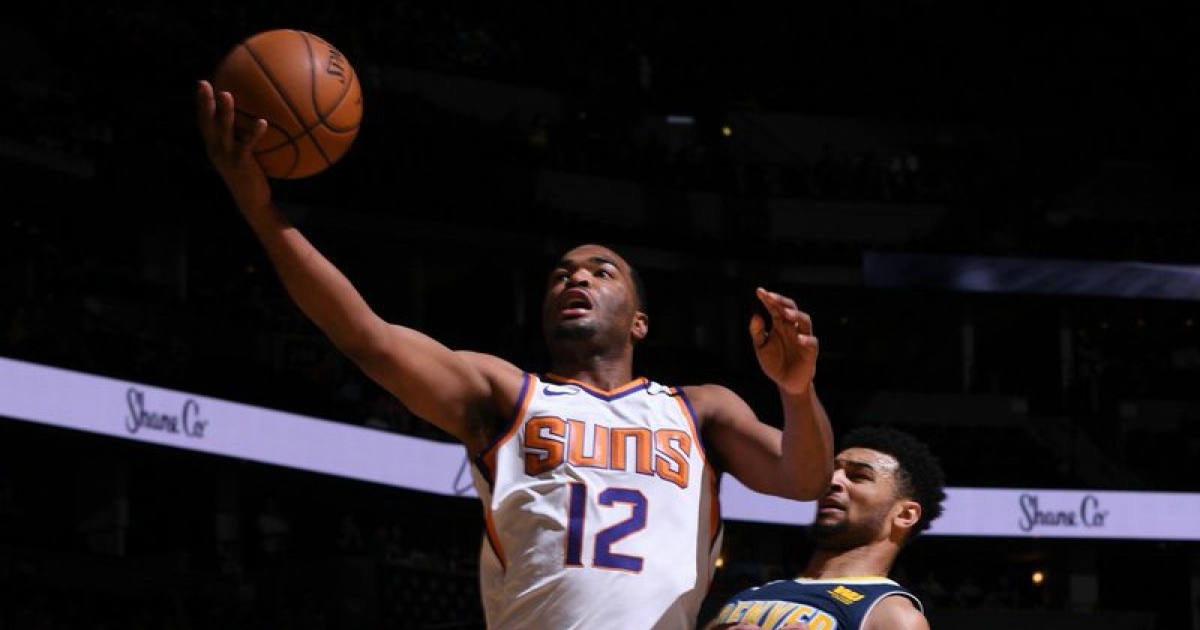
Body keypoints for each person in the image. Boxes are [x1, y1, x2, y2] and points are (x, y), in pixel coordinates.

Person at [196, 79, 834, 630]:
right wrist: (261, 210)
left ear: (639, 321)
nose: (576, 277)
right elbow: (368, 337)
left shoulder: (700, 410)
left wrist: (796, 390)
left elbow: (805, 479)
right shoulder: (506, 394)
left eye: (601, 271)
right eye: (562, 274)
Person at [705, 425, 946, 630]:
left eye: (858, 476)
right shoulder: (752, 593)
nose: (831, 481)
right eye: (831, 472)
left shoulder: (892, 615)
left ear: (905, 515)